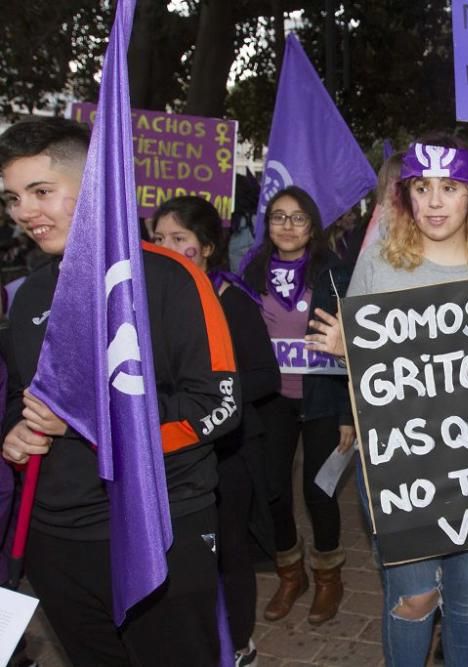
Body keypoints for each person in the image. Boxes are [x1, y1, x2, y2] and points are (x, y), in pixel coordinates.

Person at [306, 113, 468, 666]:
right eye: (422, 188)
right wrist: (347, 349)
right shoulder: (379, 264)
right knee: (413, 597)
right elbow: (366, 370)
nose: (434, 202)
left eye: (449, 189)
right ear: (405, 196)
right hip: (402, 465)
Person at [0, 117, 240, 665]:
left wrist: (92, 420)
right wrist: (15, 434)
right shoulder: (30, 292)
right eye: (13, 197)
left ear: (96, 185)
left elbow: (219, 408)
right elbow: (23, 397)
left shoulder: (171, 277)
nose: (23, 213)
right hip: (56, 540)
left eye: (41, 192)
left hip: (158, 527)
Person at [150, 195, 280, 666]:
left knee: (229, 550)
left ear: (206, 247)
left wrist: (213, 394)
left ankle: (240, 643)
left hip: (229, 451)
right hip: (171, 452)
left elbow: (265, 375)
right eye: (159, 238)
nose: (166, 247)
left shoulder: (232, 300)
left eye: (179, 239)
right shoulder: (145, 296)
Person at [242, 185, 355, 626]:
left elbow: (354, 341)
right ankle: (291, 572)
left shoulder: (334, 272)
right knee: (271, 489)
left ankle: (328, 575)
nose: (288, 226)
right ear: (267, 225)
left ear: (313, 226)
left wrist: (350, 411)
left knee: (319, 490)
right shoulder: (250, 271)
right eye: (278, 217)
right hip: (271, 399)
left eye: (298, 218)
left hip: (324, 398)